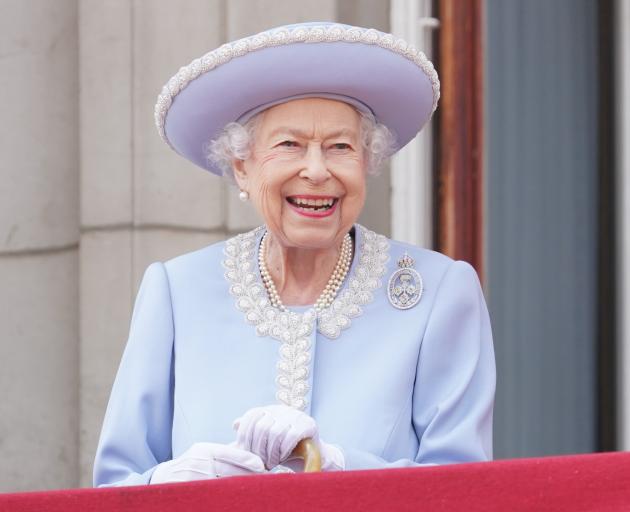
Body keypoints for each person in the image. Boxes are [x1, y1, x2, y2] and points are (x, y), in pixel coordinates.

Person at [93, 22, 495, 487]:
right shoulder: (177, 291)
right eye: (290, 145)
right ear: (242, 167)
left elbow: (464, 486)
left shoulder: (440, 293)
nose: (317, 170)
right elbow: (115, 484)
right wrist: (173, 481)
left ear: (366, 164)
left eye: (340, 147)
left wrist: (341, 464)